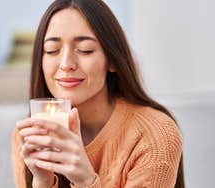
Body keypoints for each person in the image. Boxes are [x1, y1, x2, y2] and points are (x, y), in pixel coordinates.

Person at [12, 0, 185, 187]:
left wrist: (85, 180)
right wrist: (43, 181)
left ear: (112, 60)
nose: (66, 64)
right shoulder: (31, 137)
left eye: (85, 50)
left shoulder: (154, 133)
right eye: (52, 51)